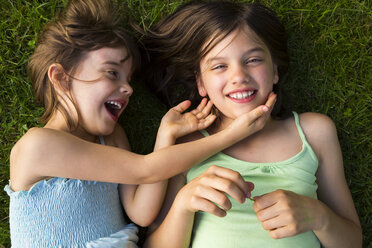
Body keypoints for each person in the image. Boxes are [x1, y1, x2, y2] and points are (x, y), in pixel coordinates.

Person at [4, 0, 276, 247]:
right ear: (62, 78)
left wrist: (165, 138)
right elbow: (145, 170)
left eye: (128, 79)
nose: (127, 89)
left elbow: (142, 213)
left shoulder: (112, 138)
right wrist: (230, 135)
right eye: (112, 73)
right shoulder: (38, 146)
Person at [140, 2, 363, 248]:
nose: (239, 76)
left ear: (275, 71)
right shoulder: (189, 145)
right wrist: (184, 203)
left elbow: (352, 241)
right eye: (219, 66)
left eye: (253, 60)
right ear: (200, 83)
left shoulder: (314, 133)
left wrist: (319, 217)